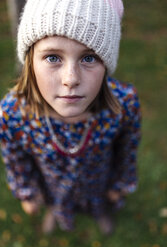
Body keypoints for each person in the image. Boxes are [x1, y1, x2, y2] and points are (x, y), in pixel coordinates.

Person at [0, 0, 141, 234]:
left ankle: (101, 213)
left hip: (98, 180)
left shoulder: (123, 104)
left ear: (106, 64)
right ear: (30, 62)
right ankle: (54, 213)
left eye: (88, 58)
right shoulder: (12, 114)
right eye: (53, 57)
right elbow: (15, 159)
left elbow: (128, 147)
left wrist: (120, 184)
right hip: (51, 185)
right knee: (56, 203)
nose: (71, 79)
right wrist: (27, 193)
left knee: (100, 204)